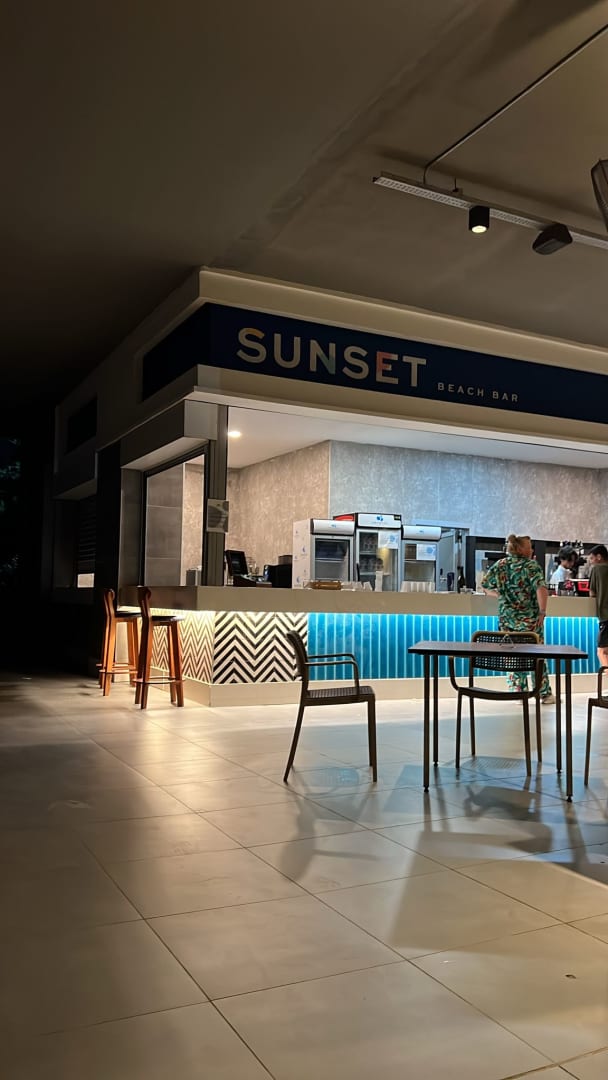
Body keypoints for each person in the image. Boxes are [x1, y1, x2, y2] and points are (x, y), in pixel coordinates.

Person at [481, 533, 553, 702]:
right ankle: (543, 693)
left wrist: (500, 596)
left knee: (513, 656)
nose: (532, 550)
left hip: (507, 619)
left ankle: (519, 693)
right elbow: (541, 589)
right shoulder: (531, 566)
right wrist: (542, 611)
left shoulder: (500, 565)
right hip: (530, 620)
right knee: (536, 656)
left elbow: (485, 586)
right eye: (529, 547)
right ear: (521, 549)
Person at [588, 544, 608, 667]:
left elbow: (592, 593)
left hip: (606, 615)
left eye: (592, 558)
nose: (591, 561)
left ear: (599, 557)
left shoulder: (597, 569)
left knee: (602, 651)